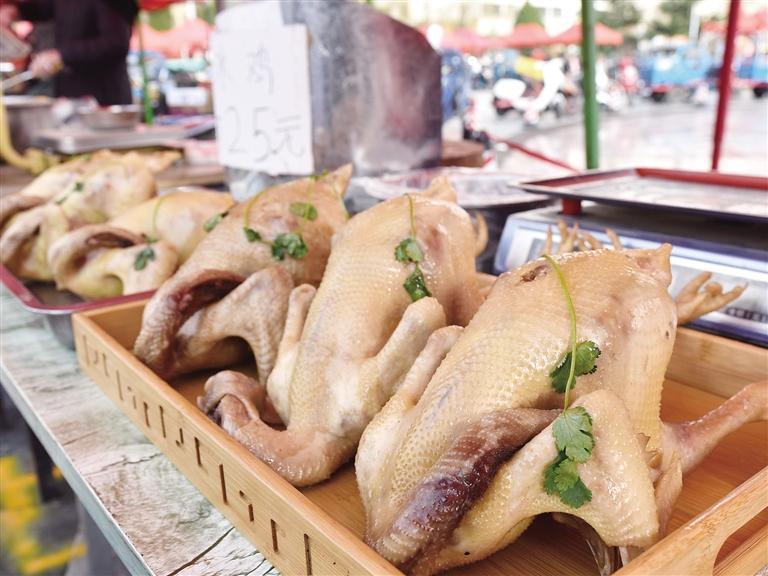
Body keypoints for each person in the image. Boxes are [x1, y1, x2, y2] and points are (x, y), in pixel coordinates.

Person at [0, 0, 138, 105]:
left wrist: (61, 55)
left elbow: (116, 42)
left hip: (103, 100)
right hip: (70, 97)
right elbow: (45, 7)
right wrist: (16, 10)